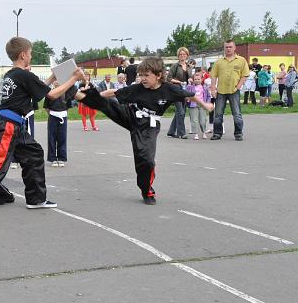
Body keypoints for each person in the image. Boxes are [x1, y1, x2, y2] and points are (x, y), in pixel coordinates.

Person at [0, 37, 83, 222]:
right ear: (23, 55)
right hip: (8, 126)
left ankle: (36, 199)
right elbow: (52, 95)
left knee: (34, 153)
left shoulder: (12, 74)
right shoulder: (23, 75)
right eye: (30, 53)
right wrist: (74, 78)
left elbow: (37, 92)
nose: (31, 56)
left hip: (14, 125)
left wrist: (53, 77)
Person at [76, 57, 214, 204]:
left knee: (146, 160)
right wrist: (95, 96)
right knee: (108, 105)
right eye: (140, 75)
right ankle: (79, 95)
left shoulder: (169, 89)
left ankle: (146, 191)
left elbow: (191, 96)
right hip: (131, 115)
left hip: (149, 126)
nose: (142, 79)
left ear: (158, 75)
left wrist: (205, 105)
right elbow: (114, 92)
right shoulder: (138, 88)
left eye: (146, 75)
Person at [209, 39, 249, 141]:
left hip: (234, 90)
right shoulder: (219, 62)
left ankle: (238, 133)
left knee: (237, 114)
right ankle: (217, 133)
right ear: (224, 48)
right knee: (218, 114)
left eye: (230, 47)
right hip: (221, 91)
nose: (228, 49)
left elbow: (244, 75)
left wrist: (238, 86)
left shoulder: (241, 60)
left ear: (234, 48)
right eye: (226, 47)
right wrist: (213, 89)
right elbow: (213, 76)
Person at [45, 79, 75, 166]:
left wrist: (62, 114)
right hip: (53, 116)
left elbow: (68, 106)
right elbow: (46, 107)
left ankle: (61, 158)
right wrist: (52, 114)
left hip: (63, 116)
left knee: (62, 137)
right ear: (53, 82)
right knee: (51, 138)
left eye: (58, 80)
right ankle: (53, 158)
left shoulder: (66, 93)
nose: (56, 82)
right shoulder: (49, 93)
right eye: (55, 80)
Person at [166, 47, 189, 139]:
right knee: (181, 112)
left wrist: (191, 80)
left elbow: (190, 77)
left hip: (185, 90)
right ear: (178, 56)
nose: (182, 56)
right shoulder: (174, 66)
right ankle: (181, 133)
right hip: (175, 90)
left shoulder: (189, 66)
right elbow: (168, 78)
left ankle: (171, 131)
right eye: (180, 54)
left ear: (187, 55)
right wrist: (179, 82)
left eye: (184, 54)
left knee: (181, 112)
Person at [185, 71, 211, 140]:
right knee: (194, 120)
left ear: (201, 79)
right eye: (195, 79)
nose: (197, 80)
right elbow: (186, 92)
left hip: (202, 105)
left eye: (198, 79)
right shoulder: (191, 87)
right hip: (193, 105)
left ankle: (203, 132)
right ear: (193, 80)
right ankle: (195, 133)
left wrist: (207, 103)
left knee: (203, 120)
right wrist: (189, 84)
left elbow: (208, 96)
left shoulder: (204, 87)